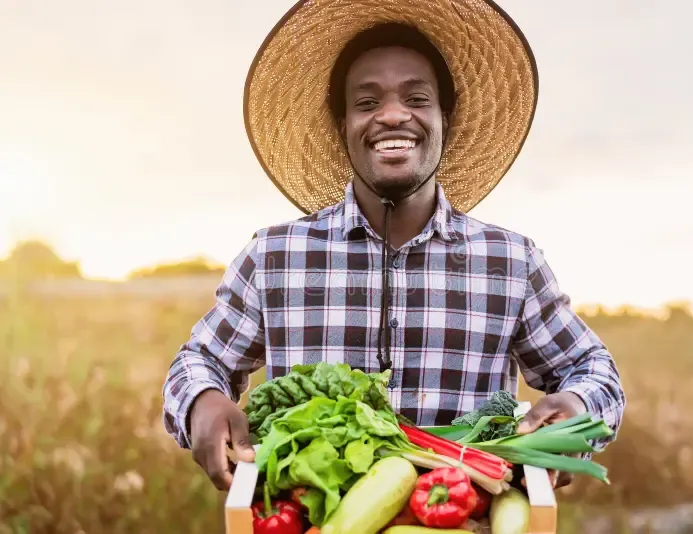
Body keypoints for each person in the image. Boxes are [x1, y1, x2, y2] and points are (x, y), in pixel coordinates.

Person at [162, 0, 626, 493]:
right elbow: (199, 361)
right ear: (342, 127)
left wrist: (575, 406)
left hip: (463, 518)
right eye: (366, 103)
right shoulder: (275, 257)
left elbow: (593, 370)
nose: (392, 116)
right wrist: (203, 401)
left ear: (445, 119)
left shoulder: (510, 262)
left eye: (417, 98)